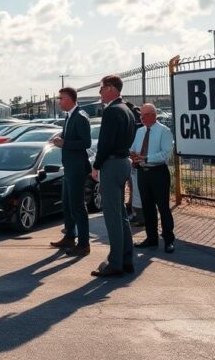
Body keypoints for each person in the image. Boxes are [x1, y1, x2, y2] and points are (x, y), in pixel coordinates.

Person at [91, 74, 136, 277]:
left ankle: (115, 262)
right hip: (124, 163)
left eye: (101, 88)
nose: (99, 93)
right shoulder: (127, 109)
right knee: (122, 215)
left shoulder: (111, 111)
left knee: (112, 217)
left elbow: (105, 144)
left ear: (110, 88)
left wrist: (96, 165)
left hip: (112, 163)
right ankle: (127, 259)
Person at [49, 87, 92, 256]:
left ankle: (84, 244)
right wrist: (60, 137)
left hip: (77, 169)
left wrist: (64, 143)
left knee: (77, 206)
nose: (59, 101)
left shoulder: (80, 116)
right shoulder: (69, 116)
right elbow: (70, 136)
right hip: (69, 168)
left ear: (71, 99)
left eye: (62, 98)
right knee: (67, 205)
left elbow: (86, 143)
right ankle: (69, 236)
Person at [130, 103, 175, 253]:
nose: (141, 118)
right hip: (143, 173)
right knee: (147, 207)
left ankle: (168, 239)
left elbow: (165, 154)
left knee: (163, 207)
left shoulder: (164, 131)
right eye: (141, 115)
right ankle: (151, 238)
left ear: (153, 115)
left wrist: (146, 158)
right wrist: (134, 156)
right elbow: (134, 149)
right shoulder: (140, 131)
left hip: (158, 173)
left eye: (144, 115)